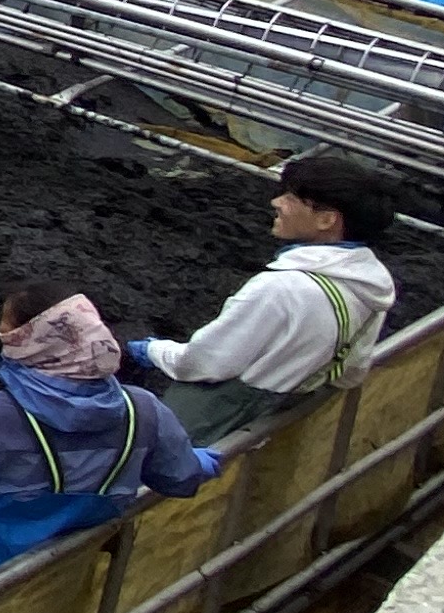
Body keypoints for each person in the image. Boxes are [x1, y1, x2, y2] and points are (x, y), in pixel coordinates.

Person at [0, 284, 209, 613]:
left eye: (8, 331)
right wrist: (197, 461)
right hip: (55, 587)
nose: (0, 336)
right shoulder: (144, 411)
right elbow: (179, 477)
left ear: (32, 342)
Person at [131, 149, 398, 444]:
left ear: (326, 220)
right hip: (283, 414)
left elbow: (202, 363)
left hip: (211, 420)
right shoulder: (370, 284)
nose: (277, 203)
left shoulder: (281, 289)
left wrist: (154, 352)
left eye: (292, 199)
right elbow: (353, 372)